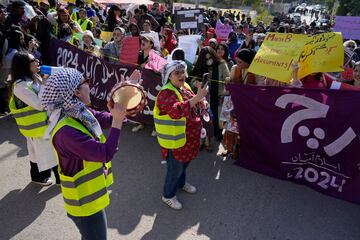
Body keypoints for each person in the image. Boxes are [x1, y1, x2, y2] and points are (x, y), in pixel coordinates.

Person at [40, 67, 132, 240]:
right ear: (76, 91)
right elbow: (105, 153)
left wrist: (125, 96)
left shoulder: (76, 111)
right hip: (84, 205)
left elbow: (105, 118)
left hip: (90, 199)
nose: (90, 86)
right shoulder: (66, 132)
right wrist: (118, 121)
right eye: (86, 83)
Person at [154, 61, 208, 210]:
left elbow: (193, 101)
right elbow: (175, 111)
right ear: (169, 76)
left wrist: (202, 102)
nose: (181, 75)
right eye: (177, 73)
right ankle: (168, 195)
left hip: (189, 139)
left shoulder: (185, 87)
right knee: (175, 170)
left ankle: (181, 183)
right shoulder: (165, 93)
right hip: (175, 141)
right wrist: (197, 98)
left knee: (185, 164)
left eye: (183, 72)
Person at [8, 52, 59, 185]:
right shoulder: (20, 86)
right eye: (33, 61)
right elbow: (39, 104)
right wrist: (45, 83)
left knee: (40, 152)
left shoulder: (33, 77)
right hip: (37, 126)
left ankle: (39, 177)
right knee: (48, 151)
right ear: (24, 65)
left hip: (44, 123)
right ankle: (54, 178)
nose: (37, 62)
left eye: (36, 59)